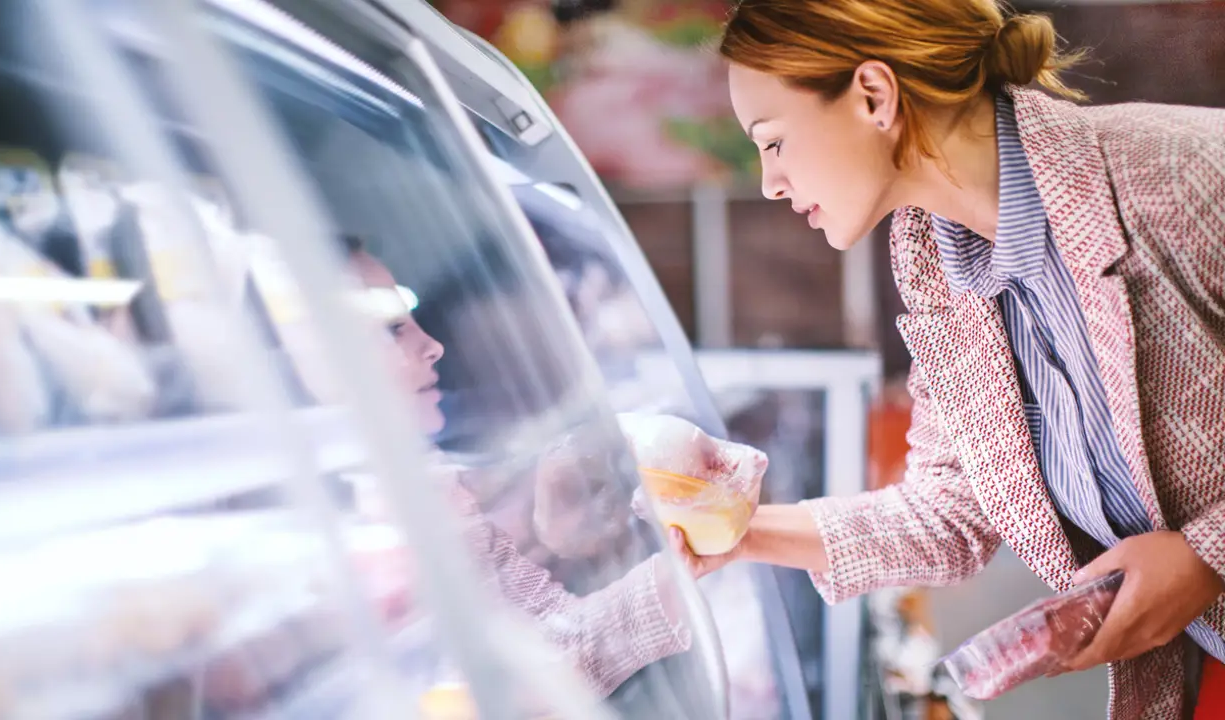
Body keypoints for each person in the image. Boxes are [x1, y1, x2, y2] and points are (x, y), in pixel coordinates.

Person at [698, 1, 1225, 718]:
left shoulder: (1178, 172)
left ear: (874, 97)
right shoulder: (935, 268)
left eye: (774, 142)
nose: (770, 183)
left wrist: (1205, 554)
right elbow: (953, 511)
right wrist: (733, 530)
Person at [341, 241, 705, 697]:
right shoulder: (337, 518)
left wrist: (691, 565)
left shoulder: (429, 484)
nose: (432, 346)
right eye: (392, 328)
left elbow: (563, 645)